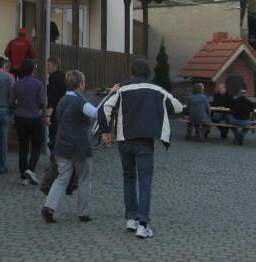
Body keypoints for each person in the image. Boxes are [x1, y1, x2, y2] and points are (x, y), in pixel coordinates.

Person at [103, 58, 183, 239]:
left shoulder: (122, 89)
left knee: (128, 178)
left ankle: (131, 219)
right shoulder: (156, 89)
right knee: (145, 182)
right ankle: (143, 225)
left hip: (124, 139)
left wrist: (106, 130)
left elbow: (106, 108)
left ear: (132, 73)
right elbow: (178, 107)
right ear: (148, 73)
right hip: (145, 141)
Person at [41, 70, 98, 223]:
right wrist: (109, 97)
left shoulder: (62, 100)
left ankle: (49, 207)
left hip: (62, 145)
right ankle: (83, 213)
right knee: (84, 179)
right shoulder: (81, 101)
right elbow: (95, 113)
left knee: (62, 178)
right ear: (81, 84)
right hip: (80, 146)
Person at [11, 59, 47, 186]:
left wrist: (17, 110)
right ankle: (30, 170)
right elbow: (42, 102)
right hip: (34, 117)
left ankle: (23, 177)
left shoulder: (17, 84)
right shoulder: (37, 83)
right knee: (37, 145)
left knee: (23, 147)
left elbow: (11, 102)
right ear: (32, 69)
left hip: (20, 118)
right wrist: (37, 107)